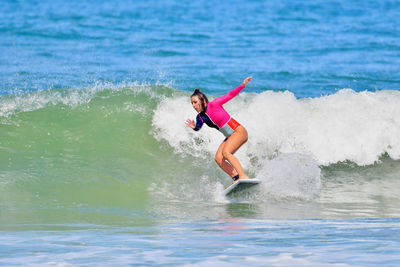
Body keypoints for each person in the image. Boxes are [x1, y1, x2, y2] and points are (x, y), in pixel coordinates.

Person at [186, 77, 252, 183]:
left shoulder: (215, 104)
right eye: (192, 103)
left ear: (202, 100)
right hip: (230, 136)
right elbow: (198, 127)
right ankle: (236, 178)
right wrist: (194, 128)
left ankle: (243, 175)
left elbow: (230, 95)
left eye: (195, 102)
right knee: (218, 158)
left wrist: (242, 85)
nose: (193, 105)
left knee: (226, 152)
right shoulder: (200, 117)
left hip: (238, 131)